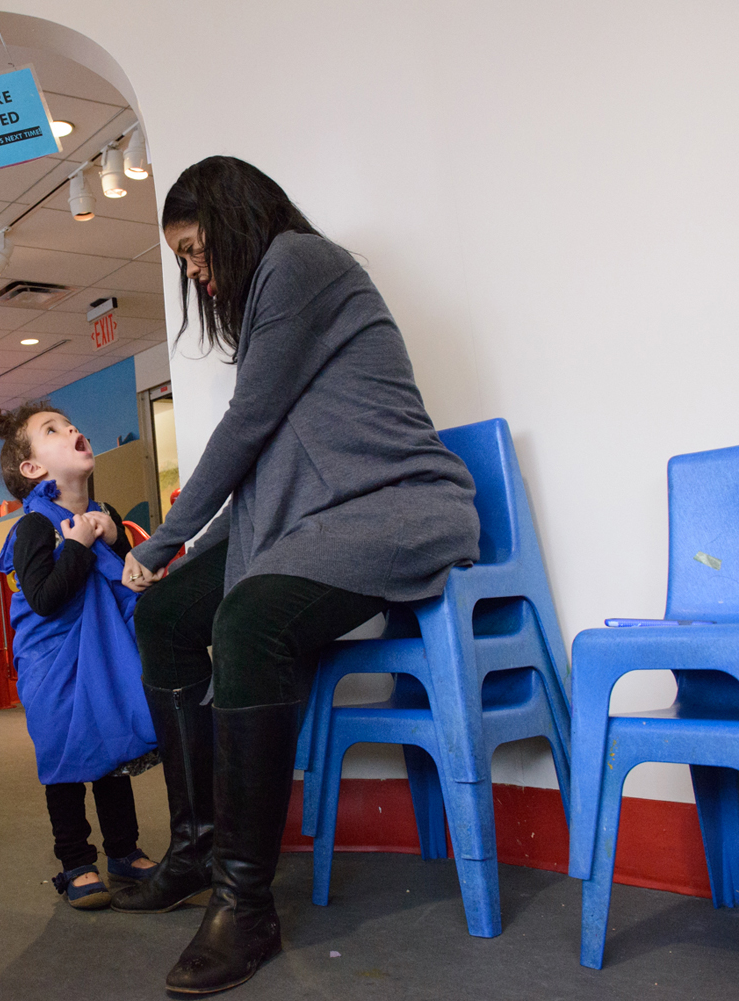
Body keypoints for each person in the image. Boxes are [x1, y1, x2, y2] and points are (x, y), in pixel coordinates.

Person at [114, 157, 482, 995]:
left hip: (397, 507)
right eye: (183, 262)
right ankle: (200, 846)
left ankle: (245, 904)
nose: (196, 273)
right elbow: (267, 456)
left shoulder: (299, 262)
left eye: (198, 251)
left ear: (237, 220)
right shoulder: (276, 292)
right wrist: (175, 562)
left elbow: (248, 427)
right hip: (313, 523)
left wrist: (161, 539)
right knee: (167, 616)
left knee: (248, 621)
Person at [0, 401, 162, 910]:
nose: (72, 429)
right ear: (33, 469)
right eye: (53, 430)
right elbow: (44, 599)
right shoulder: (33, 527)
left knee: (110, 753)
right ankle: (75, 862)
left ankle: (124, 851)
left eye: (70, 423)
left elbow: (129, 584)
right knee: (66, 762)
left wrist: (116, 543)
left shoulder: (104, 514)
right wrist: (81, 548)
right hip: (54, 667)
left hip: (104, 655)